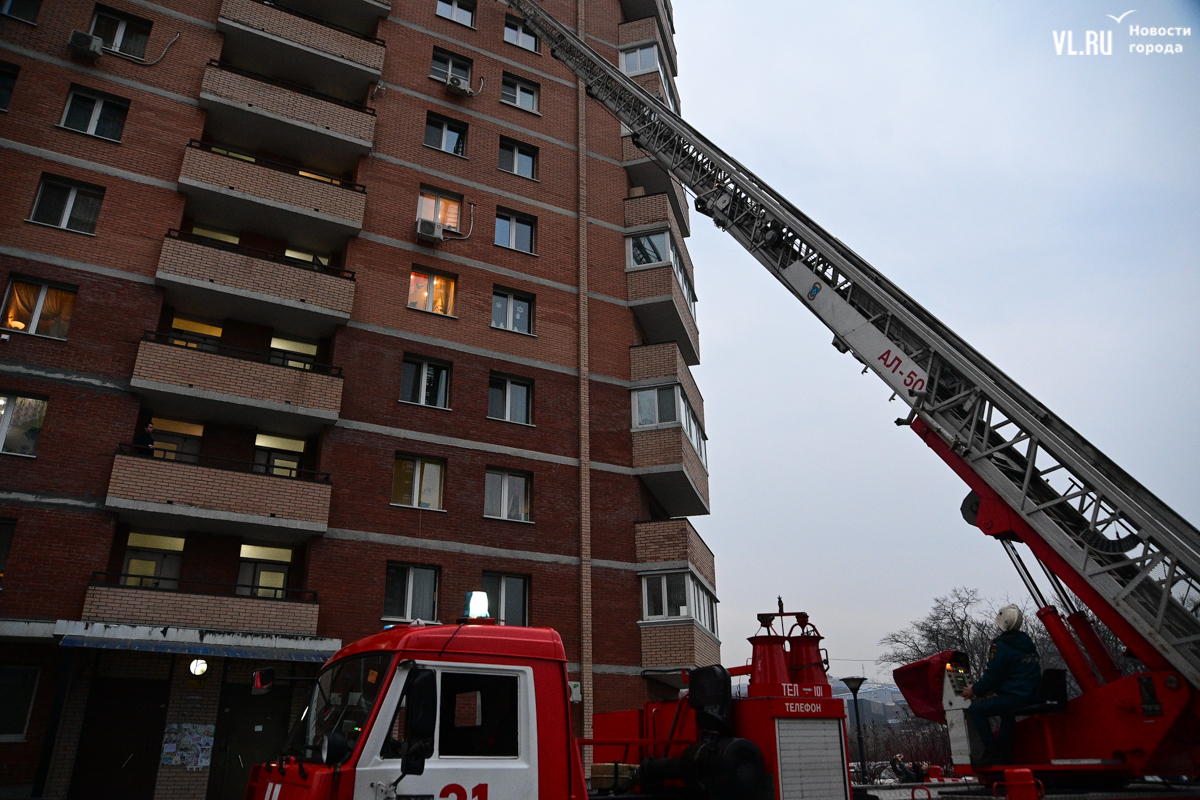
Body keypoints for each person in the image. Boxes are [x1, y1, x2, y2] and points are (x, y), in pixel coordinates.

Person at [962, 604, 1041, 766]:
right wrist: (992, 689)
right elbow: (1015, 672)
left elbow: (993, 675)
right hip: (1033, 695)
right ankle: (1006, 753)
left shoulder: (1002, 645)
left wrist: (975, 690)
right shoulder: (1027, 643)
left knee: (976, 710)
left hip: (1017, 697)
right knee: (1007, 713)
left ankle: (993, 752)